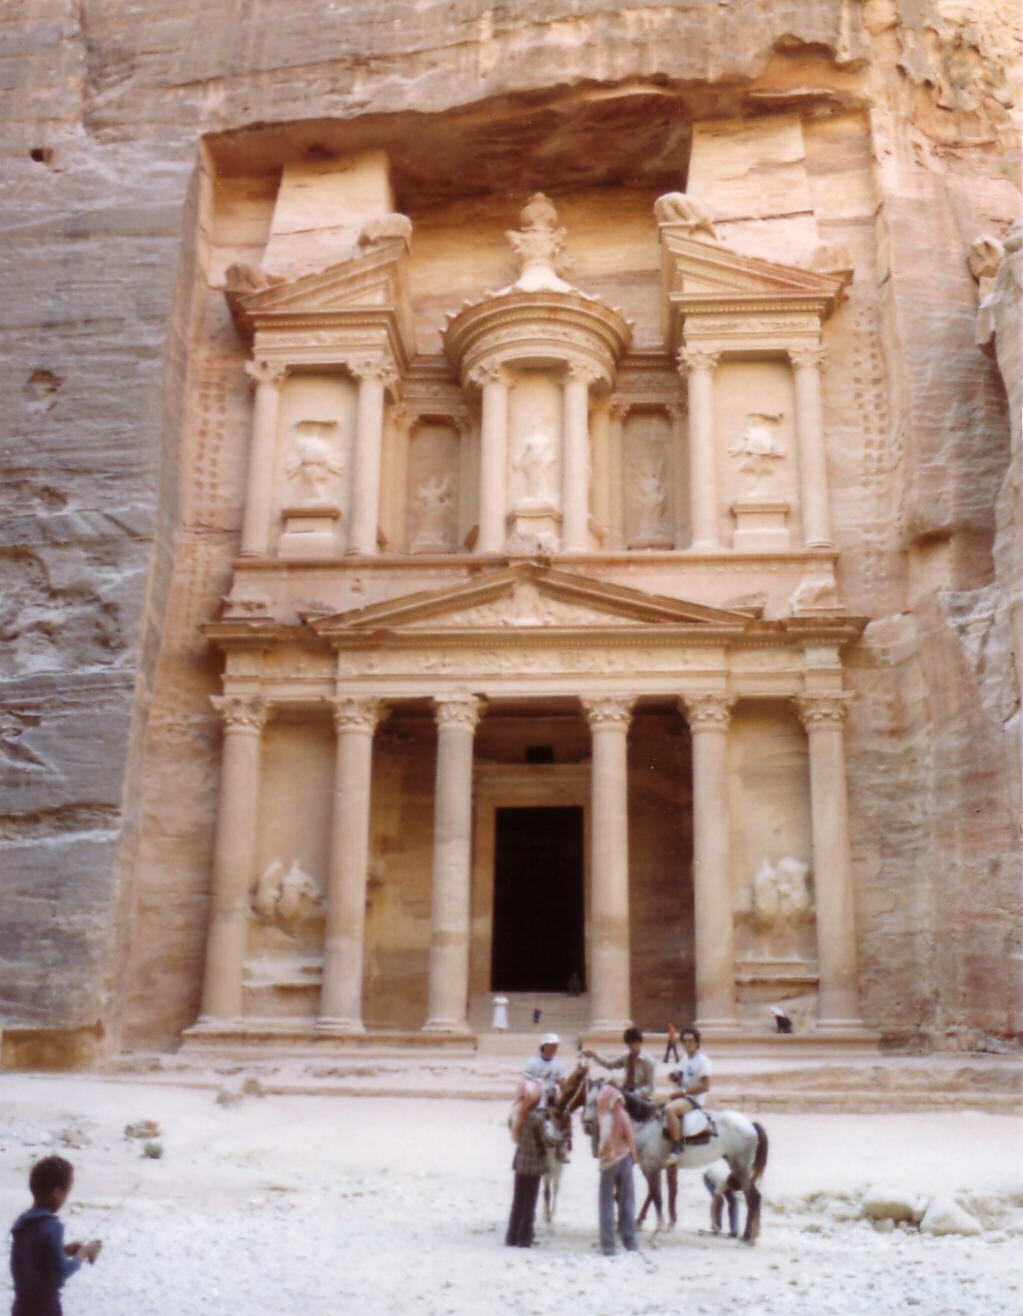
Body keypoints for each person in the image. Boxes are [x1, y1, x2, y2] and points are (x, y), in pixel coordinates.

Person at [10, 1155, 101, 1316]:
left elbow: (33, 1259)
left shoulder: (23, 1223)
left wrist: (63, 1250)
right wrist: (83, 1254)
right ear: (57, 1192)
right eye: (67, 1191)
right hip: (45, 1309)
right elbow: (59, 1275)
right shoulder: (52, 1226)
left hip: (21, 1308)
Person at [595, 1083, 639, 1256]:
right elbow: (631, 1139)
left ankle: (608, 1245)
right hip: (624, 1160)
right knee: (627, 1200)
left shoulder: (603, 1117)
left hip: (608, 1163)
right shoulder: (624, 1115)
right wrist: (634, 1157)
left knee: (605, 1203)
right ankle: (630, 1241)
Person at [505, 1079, 547, 1248]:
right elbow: (544, 1139)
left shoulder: (517, 1113)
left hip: (520, 1161)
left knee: (518, 1200)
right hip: (533, 1164)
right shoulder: (537, 1118)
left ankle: (511, 1236)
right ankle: (525, 1237)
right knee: (530, 1201)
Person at [662, 1025, 711, 1161]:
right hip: (684, 1097)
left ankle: (677, 1147)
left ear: (697, 1043)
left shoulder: (702, 1061)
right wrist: (675, 1077)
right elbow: (682, 1078)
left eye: (691, 1040)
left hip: (693, 1099)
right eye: (685, 1041)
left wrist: (683, 1092)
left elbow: (705, 1086)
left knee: (670, 1109)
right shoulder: (685, 1059)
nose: (687, 1044)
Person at [523, 1034, 569, 1162]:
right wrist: (537, 1083)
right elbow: (526, 1077)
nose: (554, 1048)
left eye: (556, 1046)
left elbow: (562, 1080)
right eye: (552, 1046)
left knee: (564, 1115)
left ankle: (562, 1147)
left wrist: (561, 1082)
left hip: (551, 1094)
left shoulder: (558, 1064)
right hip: (535, 1093)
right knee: (524, 1113)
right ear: (544, 1046)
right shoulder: (532, 1062)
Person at [582, 1027, 656, 1098]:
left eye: (636, 1043)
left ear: (640, 1043)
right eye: (630, 1044)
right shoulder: (625, 1057)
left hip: (641, 1097)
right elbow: (610, 1064)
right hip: (625, 1092)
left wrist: (635, 1094)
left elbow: (650, 1088)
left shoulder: (649, 1062)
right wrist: (595, 1055)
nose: (633, 1047)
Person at [703, 1163, 739, 1238]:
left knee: (733, 1201)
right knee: (720, 1201)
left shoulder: (735, 1180)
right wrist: (713, 1223)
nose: (730, 1191)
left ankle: (734, 1229)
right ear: (729, 1186)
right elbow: (714, 1204)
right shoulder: (722, 1184)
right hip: (708, 1177)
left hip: (722, 1176)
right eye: (731, 1189)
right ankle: (717, 1226)